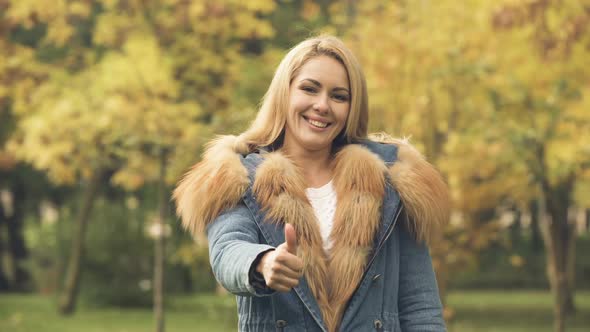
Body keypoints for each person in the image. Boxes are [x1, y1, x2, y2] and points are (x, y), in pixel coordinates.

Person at [173, 35, 449, 332]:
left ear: (351, 108)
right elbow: (228, 251)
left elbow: (420, 306)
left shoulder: (391, 182)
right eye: (309, 88)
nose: (322, 105)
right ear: (285, 93)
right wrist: (263, 263)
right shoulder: (239, 177)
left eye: (339, 96)